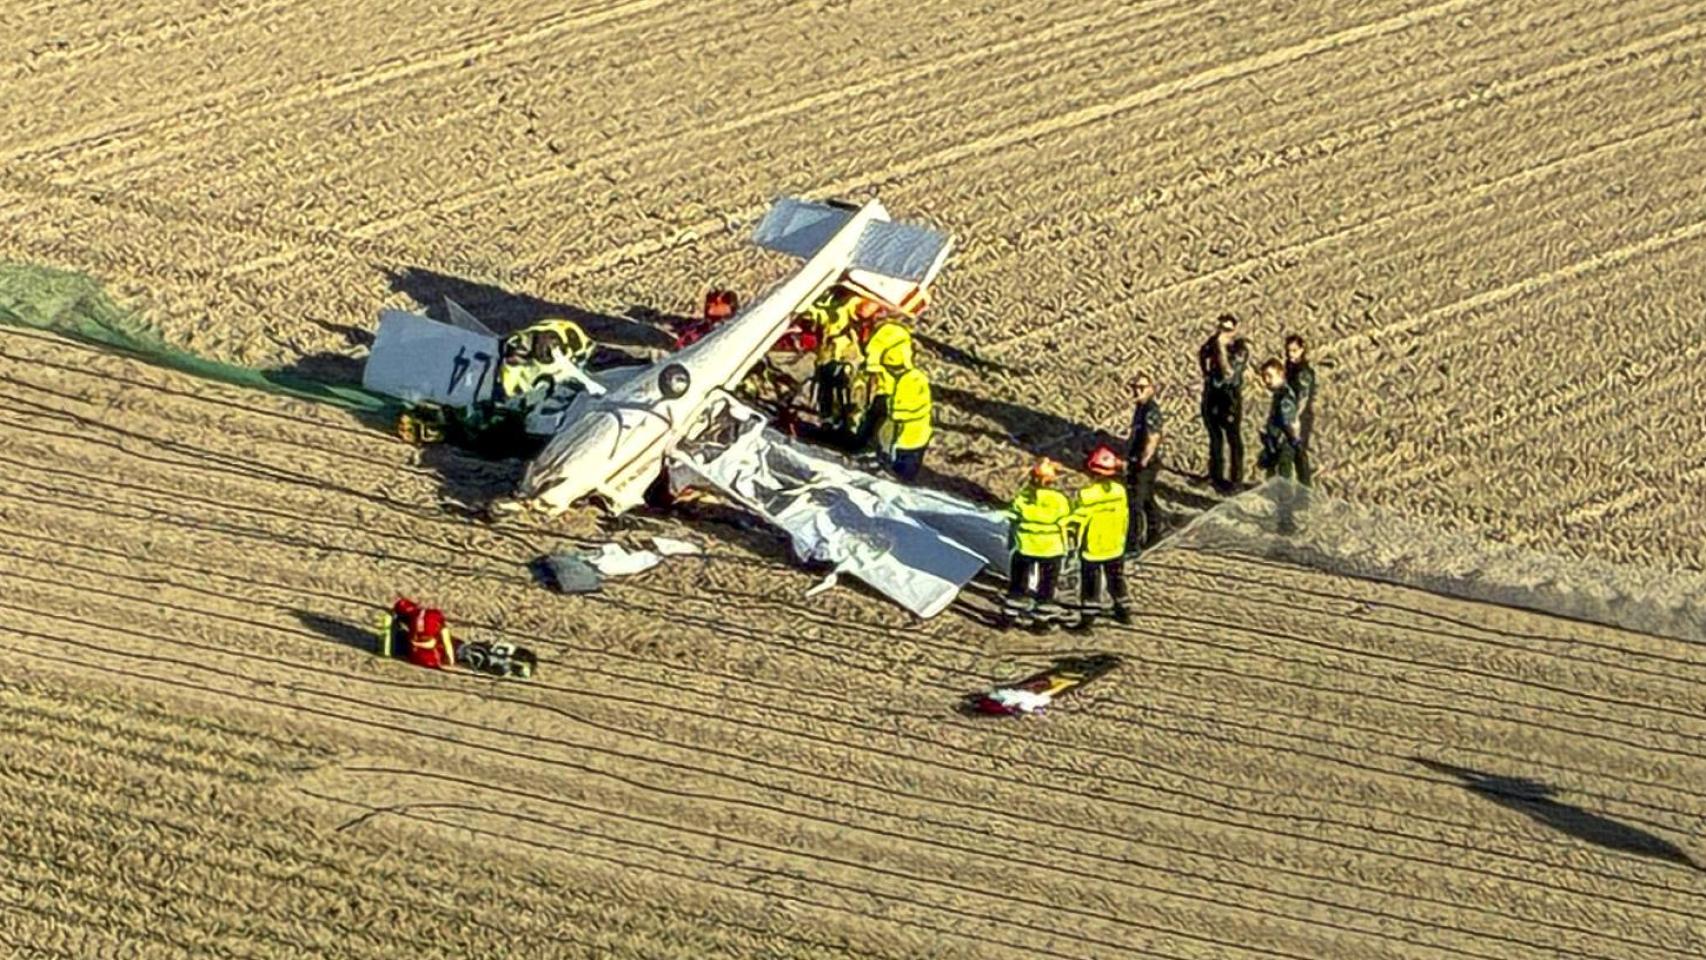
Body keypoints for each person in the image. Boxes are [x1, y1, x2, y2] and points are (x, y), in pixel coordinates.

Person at [1005, 458, 1073, 624]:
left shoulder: (1022, 498)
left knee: (1017, 586)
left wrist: (1011, 543)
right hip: (1051, 550)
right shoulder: (1060, 500)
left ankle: (1008, 617)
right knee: (1046, 587)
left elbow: (1013, 519)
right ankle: (1041, 620)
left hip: (1025, 547)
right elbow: (1067, 523)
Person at [1070, 445, 1131, 625]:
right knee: (1116, 579)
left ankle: (1088, 618)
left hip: (1092, 546)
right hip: (1115, 544)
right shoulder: (1120, 491)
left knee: (1091, 583)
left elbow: (1079, 519)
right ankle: (1123, 611)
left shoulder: (1086, 495)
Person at [1197, 312, 1250, 493]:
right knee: (1214, 436)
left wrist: (1220, 347)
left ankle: (1236, 480)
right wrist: (1206, 372)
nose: (1222, 333)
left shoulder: (1239, 349)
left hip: (1229, 396)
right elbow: (1202, 354)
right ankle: (1215, 475)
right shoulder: (1212, 343)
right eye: (1221, 328)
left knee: (1233, 438)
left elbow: (1228, 372)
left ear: (1234, 330)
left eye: (1227, 329)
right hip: (1213, 392)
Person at [808, 293, 864, 439]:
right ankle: (828, 421)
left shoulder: (850, 302)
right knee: (826, 386)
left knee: (848, 387)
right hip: (830, 350)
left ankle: (848, 423)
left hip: (845, 349)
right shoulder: (822, 305)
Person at [875, 343, 931, 481]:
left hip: (913, 437)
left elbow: (910, 409)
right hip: (906, 436)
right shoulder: (900, 379)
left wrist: (895, 416)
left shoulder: (914, 380)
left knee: (905, 472)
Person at [1124, 372, 1164, 551]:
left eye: (1141, 388)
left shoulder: (1150, 410)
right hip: (1139, 460)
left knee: (1135, 503)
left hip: (1144, 463)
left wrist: (1143, 460)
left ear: (1151, 389)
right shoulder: (1141, 408)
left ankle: (1134, 543)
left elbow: (1153, 436)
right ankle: (1155, 533)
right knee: (1147, 498)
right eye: (1134, 388)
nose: (1136, 391)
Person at [380, 598, 457, 670]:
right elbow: (447, 641)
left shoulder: (412, 617)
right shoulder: (434, 616)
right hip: (432, 657)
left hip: (414, 656)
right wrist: (451, 660)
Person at [1257, 359, 1302, 481]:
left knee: (1283, 475)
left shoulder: (1284, 396)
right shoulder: (1279, 394)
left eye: (1270, 376)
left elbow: (1290, 422)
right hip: (1276, 441)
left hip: (1284, 442)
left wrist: (1294, 439)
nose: (1266, 381)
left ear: (1281, 374)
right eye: (1264, 377)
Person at [1283, 333, 1317, 486]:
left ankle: (1305, 488)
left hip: (1301, 416)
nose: (1290, 354)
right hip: (1291, 413)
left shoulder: (1303, 372)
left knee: (1298, 452)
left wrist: (1295, 418)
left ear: (1302, 350)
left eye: (1294, 350)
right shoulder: (1290, 366)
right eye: (1288, 350)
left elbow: (1304, 396)